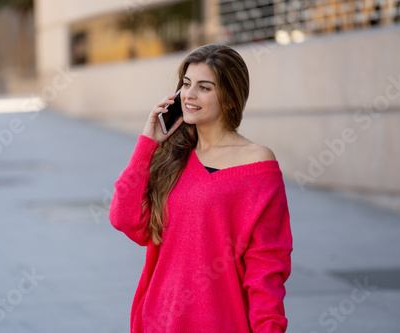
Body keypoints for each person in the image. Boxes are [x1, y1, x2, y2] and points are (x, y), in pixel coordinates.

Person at [109, 44, 293, 333]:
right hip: (161, 320)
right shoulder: (173, 157)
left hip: (223, 323)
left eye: (204, 87)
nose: (189, 95)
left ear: (230, 99)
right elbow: (124, 218)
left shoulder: (257, 162)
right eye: (186, 84)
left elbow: (267, 265)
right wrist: (147, 143)